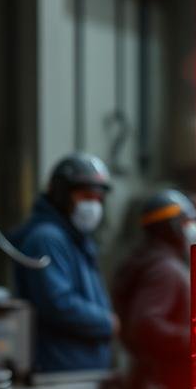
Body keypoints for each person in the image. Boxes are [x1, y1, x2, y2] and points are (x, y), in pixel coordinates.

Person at [10, 153, 117, 372]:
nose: (93, 206)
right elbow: (57, 302)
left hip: (80, 368)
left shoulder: (75, 239)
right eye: (85, 196)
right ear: (61, 194)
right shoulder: (47, 239)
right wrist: (106, 322)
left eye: (98, 199)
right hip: (60, 366)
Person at [111, 189, 196, 389]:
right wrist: (194, 340)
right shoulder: (165, 270)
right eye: (187, 221)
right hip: (165, 388)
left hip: (150, 383)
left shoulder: (147, 261)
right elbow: (146, 323)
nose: (192, 228)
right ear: (173, 226)